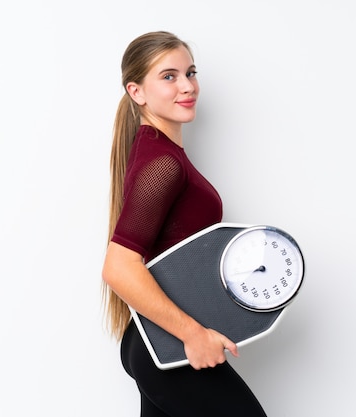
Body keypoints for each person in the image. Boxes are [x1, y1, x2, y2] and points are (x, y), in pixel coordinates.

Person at [101, 31, 268, 416]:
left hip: (160, 346)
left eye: (190, 73)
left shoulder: (163, 154)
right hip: (170, 349)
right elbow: (119, 266)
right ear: (137, 92)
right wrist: (194, 335)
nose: (187, 86)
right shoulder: (163, 163)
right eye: (169, 76)